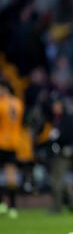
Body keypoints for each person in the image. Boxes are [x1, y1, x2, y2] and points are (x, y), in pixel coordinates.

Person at [47, 96, 73, 214]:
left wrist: (57, 137)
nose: (54, 108)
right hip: (58, 152)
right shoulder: (57, 118)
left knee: (57, 181)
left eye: (56, 105)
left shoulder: (68, 118)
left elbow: (69, 136)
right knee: (59, 180)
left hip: (65, 152)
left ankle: (57, 207)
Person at [0, 81, 23, 219]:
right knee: (11, 176)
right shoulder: (18, 103)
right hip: (14, 143)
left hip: (2, 142)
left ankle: (2, 204)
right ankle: (13, 207)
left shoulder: (1, 104)